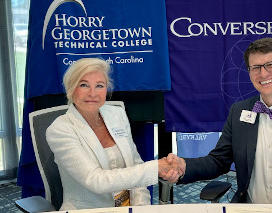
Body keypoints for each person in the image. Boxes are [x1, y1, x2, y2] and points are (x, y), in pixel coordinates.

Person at [162, 38, 272, 205]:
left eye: (271, 65)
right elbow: (218, 161)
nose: (263, 73)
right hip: (247, 207)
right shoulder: (239, 111)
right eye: (256, 68)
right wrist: (184, 167)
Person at [46, 58, 181, 210]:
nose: (93, 93)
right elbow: (96, 180)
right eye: (84, 85)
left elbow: (135, 164)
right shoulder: (60, 129)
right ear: (71, 88)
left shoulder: (116, 113)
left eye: (100, 86)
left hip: (129, 206)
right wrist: (155, 167)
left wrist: (142, 207)